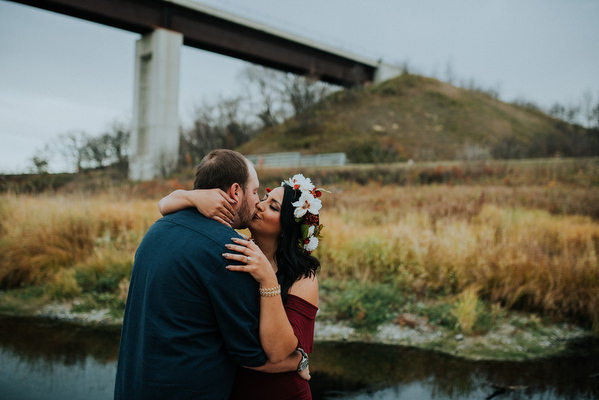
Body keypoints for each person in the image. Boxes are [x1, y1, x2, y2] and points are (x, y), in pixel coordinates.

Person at [114, 150, 307, 400]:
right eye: (255, 191)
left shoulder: (157, 229)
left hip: (131, 387)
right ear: (235, 192)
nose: (258, 201)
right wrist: (299, 361)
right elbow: (250, 353)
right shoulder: (230, 251)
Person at [158, 173, 324, 399]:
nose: (259, 205)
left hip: (281, 393)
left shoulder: (302, 278)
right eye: (264, 198)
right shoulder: (233, 248)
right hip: (230, 389)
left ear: (287, 227)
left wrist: (268, 279)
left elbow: (277, 352)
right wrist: (195, 198)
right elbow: (165, 204)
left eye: (273, 207)